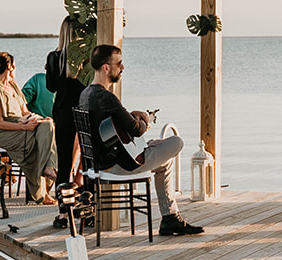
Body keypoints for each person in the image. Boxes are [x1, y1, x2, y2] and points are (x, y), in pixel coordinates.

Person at [79, 45, 203, 236]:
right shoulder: (107, 97)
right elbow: (137, 130)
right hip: (118, 167)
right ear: (106, 68)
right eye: (119, 64)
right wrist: (144, 118)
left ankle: (170, 219)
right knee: (176, 142)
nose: (123, 68)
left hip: (99, 164)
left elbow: (110, 125)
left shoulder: (86, 94)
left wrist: (130, 114)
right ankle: (170, 218)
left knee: (165, 163)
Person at [0, 52, 57, 204]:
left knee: (48, 125)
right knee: (40, 142)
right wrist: (23, 127)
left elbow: (25, 111)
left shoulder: (14, 85)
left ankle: (48, 169)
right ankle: (42, 190)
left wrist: (38, 118)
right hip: (6, 132)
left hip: (23, 124)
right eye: (14, 65)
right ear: (10, 67)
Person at [45, 48, 88, 229]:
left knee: (64, 163)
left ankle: (63, 213)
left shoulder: (55, 57)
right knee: (88, 160)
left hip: (63, 111)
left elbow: (51, 86)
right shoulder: (87, 55)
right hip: (85, 109)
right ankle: (88, 209)